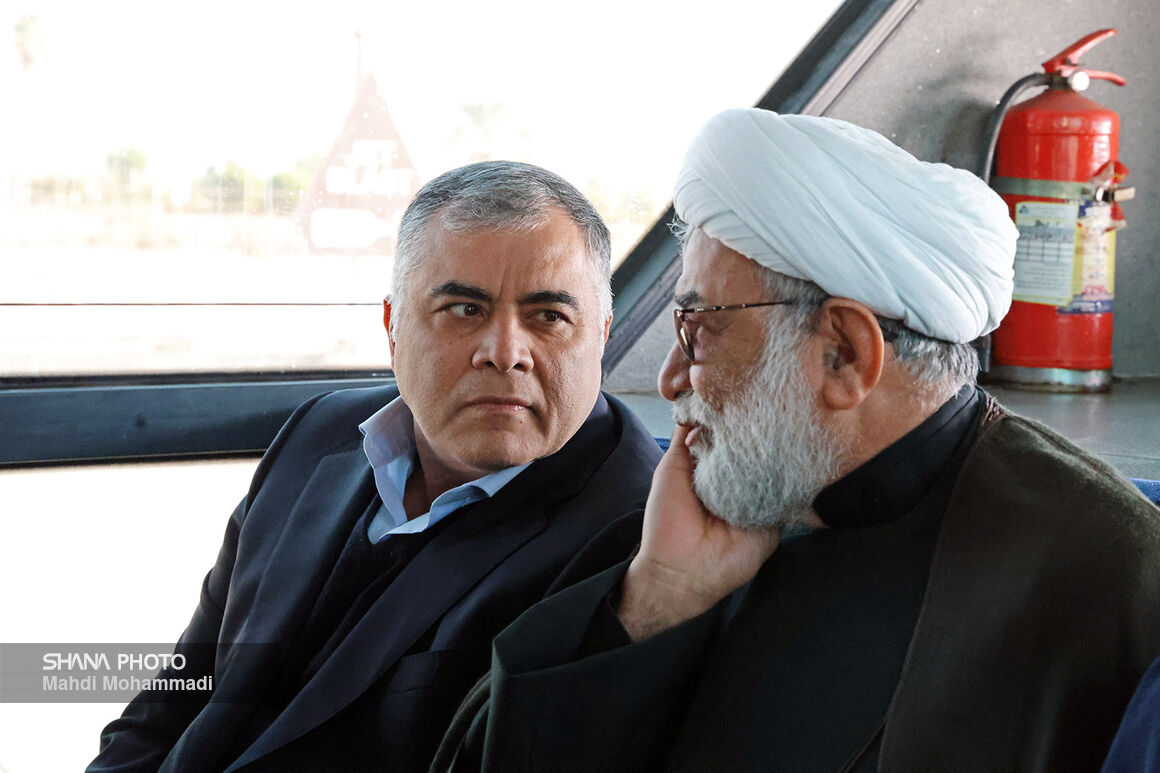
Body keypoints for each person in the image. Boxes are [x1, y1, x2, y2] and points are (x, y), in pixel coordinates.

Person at [437, 110, 1160, 772]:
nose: (669, 379)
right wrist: (656, 600)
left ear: (845, 353)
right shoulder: (717, 507)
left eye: (700, 330)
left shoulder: (1106, 577)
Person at [87, 161, 663, 772]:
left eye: (548, 317)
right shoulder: (318, 434)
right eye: (464, 309)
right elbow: (176, 696)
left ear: (602, 334)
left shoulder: (639, 533)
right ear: (393, 327)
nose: (504, 353)